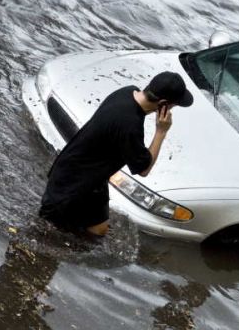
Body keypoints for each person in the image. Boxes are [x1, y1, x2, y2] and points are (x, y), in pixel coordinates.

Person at [39, 71, 193, 236]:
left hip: (90, 178)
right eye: (173, 105)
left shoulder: (126, 92)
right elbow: (144, 169)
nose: (172, 109)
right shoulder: (130, 124)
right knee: (47, 233)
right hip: (72, 186)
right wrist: (161, 131)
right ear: (163, 103)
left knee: (99, 231)